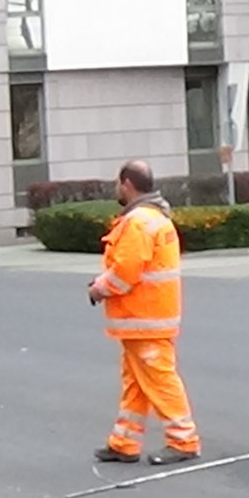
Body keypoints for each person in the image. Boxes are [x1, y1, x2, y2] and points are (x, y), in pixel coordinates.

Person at [89, 161, 201, 466]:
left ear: (127, 184)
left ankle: (183, 441)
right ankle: (124, 442)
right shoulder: (155, 218)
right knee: (137, 384)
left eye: (117, 184)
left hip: (143, 318)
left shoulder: (137, 222)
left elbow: (125, 273)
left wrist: (99, 288)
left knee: (160, 380)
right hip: (147, 319)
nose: (116, 189)